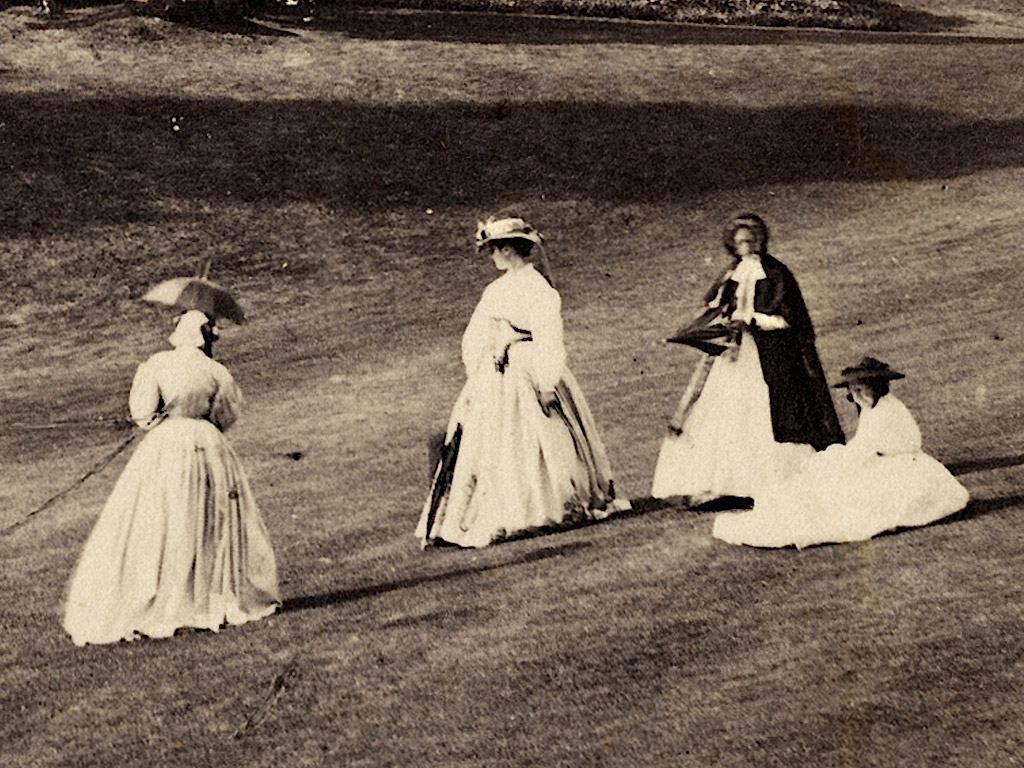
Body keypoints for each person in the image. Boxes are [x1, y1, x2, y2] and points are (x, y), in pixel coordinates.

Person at [63, 310, 280, 645]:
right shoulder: (215, 370)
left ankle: (163, 595)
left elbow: (144, 415)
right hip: (206, 446)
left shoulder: (158, 364)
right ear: (205, 336)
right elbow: (225, 415)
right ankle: (203, 596)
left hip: (165, 445)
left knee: (163, 517)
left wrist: (166, 417)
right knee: (207, 520)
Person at [416, 216, 629, 548]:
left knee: (539, 438)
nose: (492, 256)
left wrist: (546, 383)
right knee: (495, 442)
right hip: (498, 374)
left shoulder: (538, 288)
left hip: (529, 370)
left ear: (509, 249)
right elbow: (475, 336)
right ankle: (502, 509)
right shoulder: (495, 290)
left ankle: (542, 507)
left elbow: (549, 338)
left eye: (495, 249)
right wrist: (481, 371)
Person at [651, 214, 844, 505]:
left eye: (751, 240)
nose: (747, 246)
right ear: (733, 244)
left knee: (766, 411)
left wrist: (752, 320)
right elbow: (716, 306)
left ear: (761, 240)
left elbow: (790, 319)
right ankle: (725, 484)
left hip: (770, 355)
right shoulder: (732, 273)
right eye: (740, 241)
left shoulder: (776, 273)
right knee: (727, 411)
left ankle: (773, 481)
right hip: (734, 353)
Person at [712, 357, 970, 548]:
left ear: (876, 387)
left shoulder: (887, 410)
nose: (858, 396)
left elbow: (876, 447)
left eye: (862, 390)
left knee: (837, 497)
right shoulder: (873, 409)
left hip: (900, 466)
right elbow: (864, 447)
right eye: (853, 392)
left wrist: (833, 461)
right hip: (881, 461)